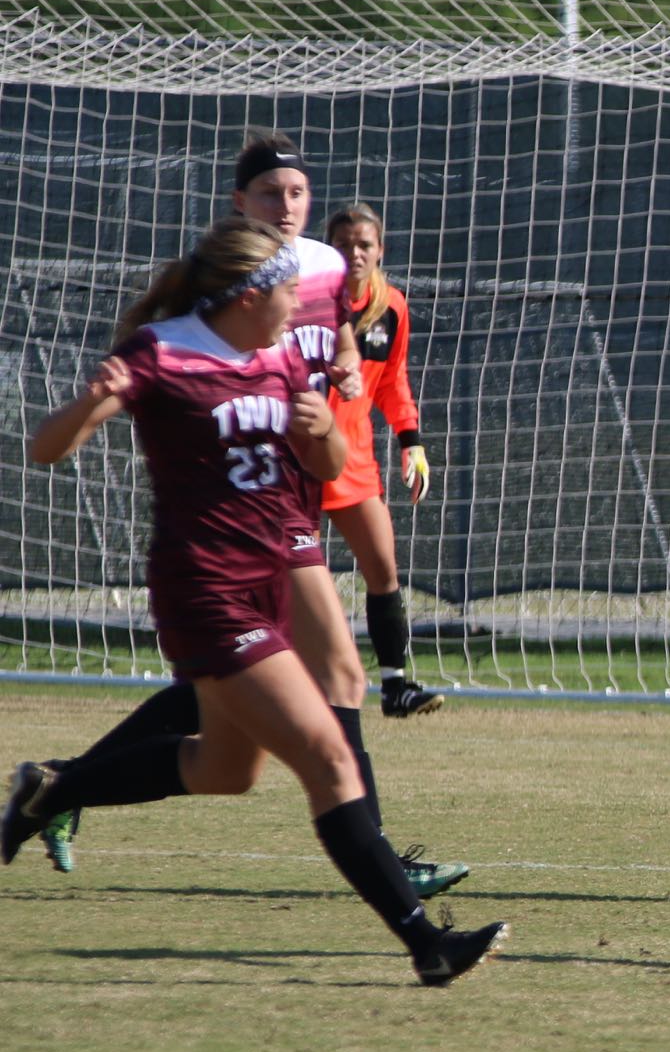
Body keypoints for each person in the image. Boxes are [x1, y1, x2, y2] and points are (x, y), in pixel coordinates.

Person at [1, 216, 504, 985]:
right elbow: (46, 447)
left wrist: (322, 430)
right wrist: (87, 403)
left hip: (271, 582)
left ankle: (56, 790)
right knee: (330, 759)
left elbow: (327, 457)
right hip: (207, 592)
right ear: (248, 293)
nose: (301, 302)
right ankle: (426, 944)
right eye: (288, 288)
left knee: (227, 770)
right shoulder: (162, 351)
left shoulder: (270, 356)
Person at [324, 202, 442, 720]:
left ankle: (395, 686)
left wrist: (411, 441)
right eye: (344, 244)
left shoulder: (390, 306)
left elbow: (393, 381)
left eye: (363, 244)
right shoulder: (305, 299)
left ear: (380, 251)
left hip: (353, 460)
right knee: (283, 576)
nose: (354, 253)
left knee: (383, 567)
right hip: (298, 455)